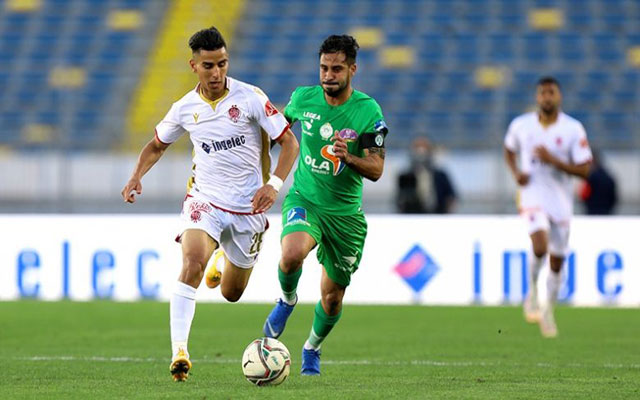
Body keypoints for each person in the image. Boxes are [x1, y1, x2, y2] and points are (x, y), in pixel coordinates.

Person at [120, 26, 299, 381]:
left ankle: (222, 255)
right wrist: (135, 176)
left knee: (232, 292)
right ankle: (180, 352)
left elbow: (289, 142)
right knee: (191, 263)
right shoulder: (184, 108)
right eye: (208, 66)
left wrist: (274, 185)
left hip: (249, 208)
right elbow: (156, 145)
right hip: (205, 200)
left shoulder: (250, 98)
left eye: (222, 64)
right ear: (193, 66)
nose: (216, 73)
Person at [261, 35, 388, 375]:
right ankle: (287, 299)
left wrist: (351, 158)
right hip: (305, 198)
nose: (328, 76)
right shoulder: (302, 98)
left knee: (332, 298)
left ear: (352, 70)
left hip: (345, 216)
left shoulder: (368, 111)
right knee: (291, 254)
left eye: (336, 69)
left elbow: (377, 169)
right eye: (323, 68)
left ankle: (312, 347)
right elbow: (277, 132)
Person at [504, 76, 592, 338]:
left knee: (556, 263)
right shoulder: (521, 125)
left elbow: (585, 169)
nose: (546, 97)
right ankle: (532, 291)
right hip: (532, 195)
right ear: (537, 97)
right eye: (542, 93)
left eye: (551, 92)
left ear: (559, 96)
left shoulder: (573, 129)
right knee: (540, 246)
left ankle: (547, 310)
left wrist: (554, 160)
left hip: (560, 202)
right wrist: (516, 173)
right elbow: (509, 149)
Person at [396, 136, 457, 214]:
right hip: (414, 216)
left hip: (438, 216)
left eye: (425, 147)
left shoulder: (441, 175)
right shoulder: (405, 176)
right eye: (417, 147)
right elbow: (399, 201)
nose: (421, 151)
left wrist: (445, 213)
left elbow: (451, 197)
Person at [579, 150, 618, 215]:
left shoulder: (590, 178)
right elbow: (613, 198)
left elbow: (584, 195)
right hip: (607, 213)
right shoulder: (609, 177)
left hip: (592, 213)